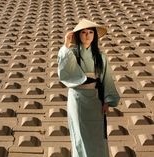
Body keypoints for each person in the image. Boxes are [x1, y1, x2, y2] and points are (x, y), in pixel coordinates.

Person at [57, 19, 120, 157]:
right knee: (80, 135)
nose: (87, 35)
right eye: (84, 32)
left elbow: (106, 79)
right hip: (77, 99)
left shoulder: (101, 57)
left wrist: (106, 101)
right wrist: (66, 44)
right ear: (78, 35)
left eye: (91, 32)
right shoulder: (71, 53)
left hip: (95, 99)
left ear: (95, 35)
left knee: (97, 136)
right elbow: (63, 70)